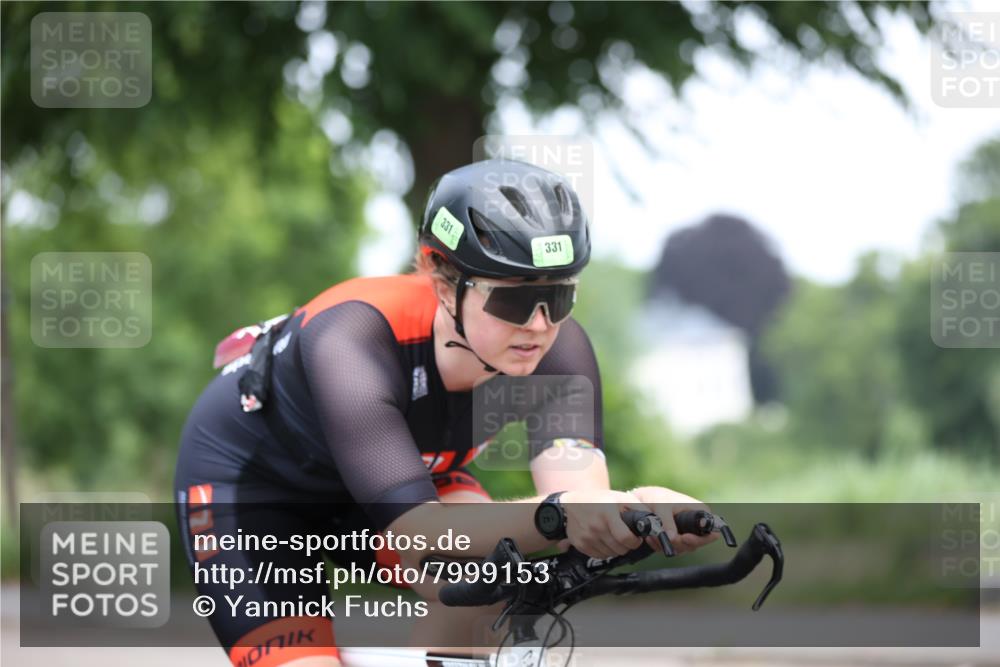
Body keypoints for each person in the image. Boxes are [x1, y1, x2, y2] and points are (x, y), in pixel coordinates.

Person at [174, 159, 716, 667]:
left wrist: (632, 509)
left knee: (490, 576)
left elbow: (578, 497)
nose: (539, 324)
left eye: (560, 295)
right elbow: (420, 532)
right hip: (254, 494)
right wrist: (564, 512)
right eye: (512, 300)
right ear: (440, 276)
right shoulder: (354, 337)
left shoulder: (560, 349)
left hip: (401, 481)